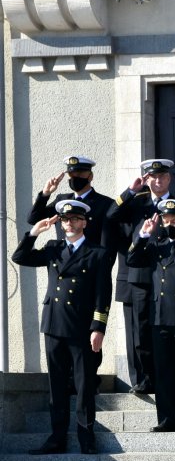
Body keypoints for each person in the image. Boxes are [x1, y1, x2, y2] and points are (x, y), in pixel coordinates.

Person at [13, 200, 112, 455]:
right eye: (66, 219)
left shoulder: (98, 253)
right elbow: (20, 256)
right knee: (56, 386)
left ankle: (85, 437)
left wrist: (98, 328)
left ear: (84, 222)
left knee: (84, 386)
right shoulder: (53, 247)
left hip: (82, 329)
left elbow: (103, 294)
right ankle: (57, 437)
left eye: (75, 219)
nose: (69, 223)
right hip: (55, 325)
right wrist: (34, 232)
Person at [27, 156, 116, 395]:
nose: (74, 179)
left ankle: (88, 380)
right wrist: (45, 194)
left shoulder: (103, 204)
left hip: (90, 270)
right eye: (71, 175)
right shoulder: (61, 201)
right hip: (64, 266)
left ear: (90, 176)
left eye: (79, 175)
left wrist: (103, 266)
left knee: (87, 348)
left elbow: (108, 241)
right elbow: (33, 219)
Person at [126, 199, 175, 432]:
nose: (170, 224)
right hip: (159, 317)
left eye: (174, 220)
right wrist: (142, 235)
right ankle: (166, 419)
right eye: (166, 220)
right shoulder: (156, 246)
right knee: (164, 371)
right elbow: (133, 259)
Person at [107, 159, 175, 394]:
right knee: (138, 331)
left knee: (165, 330)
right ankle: (142, 379)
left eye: (162, 176)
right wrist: (131, 191)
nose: (158, 181)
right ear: (147, 179)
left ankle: (166, 377)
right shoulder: (137, 203)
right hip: (138, 276)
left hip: (167, 276)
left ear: (169, 178)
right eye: (153, 177)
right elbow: (110, 216)